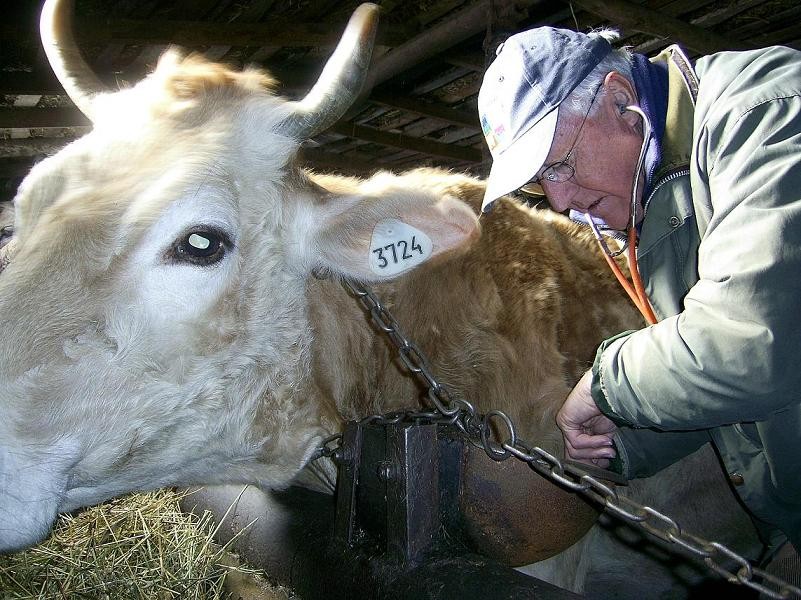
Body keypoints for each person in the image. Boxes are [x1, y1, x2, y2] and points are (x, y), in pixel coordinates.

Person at [477, 25, 801, 570]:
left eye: (559, 164)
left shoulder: (761, 112)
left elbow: (753, 344)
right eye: (539, 182)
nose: (558, 200)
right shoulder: (656, 205)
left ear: (620, 101)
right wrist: (619, 439)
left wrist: (605, 384)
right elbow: (721, 389)